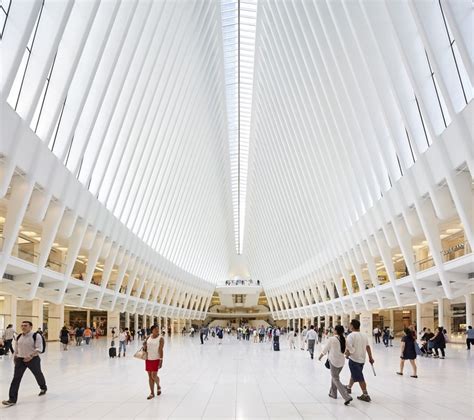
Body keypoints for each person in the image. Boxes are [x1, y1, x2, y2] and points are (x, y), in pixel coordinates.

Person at [2, 321, 47, 407]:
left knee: (37, 374)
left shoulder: (36, 336)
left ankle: (43, 387)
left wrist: (30, 356)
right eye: (22, 325)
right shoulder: (19, 336)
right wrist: (15, 357)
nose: (23, 327)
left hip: (33, 359)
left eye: (25, 325)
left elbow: (39, 348)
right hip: (20, 360)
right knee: (16, 378)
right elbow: (16, 348)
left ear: (31, 327)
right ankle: (12, 399)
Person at [319, 325, 352, 405]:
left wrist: (320, 356)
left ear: (336, 331)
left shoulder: (332, 339)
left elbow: (325, 349)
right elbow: (351, 349)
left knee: (336, 379)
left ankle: (346, 396)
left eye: (334, 330)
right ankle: (333, 394)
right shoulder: (344, 339)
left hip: (333, 362)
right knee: (335, 377)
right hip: (341, 363)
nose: (333, 330)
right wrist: (347, 354)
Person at [345, 319, 374, 403]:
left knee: (360, 377)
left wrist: (347, 354)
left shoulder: (351, 336)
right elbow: (368, 347)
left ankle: (365, 395)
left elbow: (348, 347)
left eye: (350, 325)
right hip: (362, 360)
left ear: (352, 326)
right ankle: (349, 388)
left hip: (354, 360)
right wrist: (370, 357)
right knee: (354, 374)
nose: (349, 326)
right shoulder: (364, 335)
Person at [143, 325, 164, 400]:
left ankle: (158, 386)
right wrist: (144, 346)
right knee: (149, 376)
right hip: (148, 358)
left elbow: (161, 350)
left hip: (156, 359)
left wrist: (161, 360)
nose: (157, 331)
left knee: (154, 376)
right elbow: (145, 348)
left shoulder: (161, 338)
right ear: (152, 330)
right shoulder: (148, 337)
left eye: (158, 329)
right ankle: (152, 393)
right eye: (155, 329)